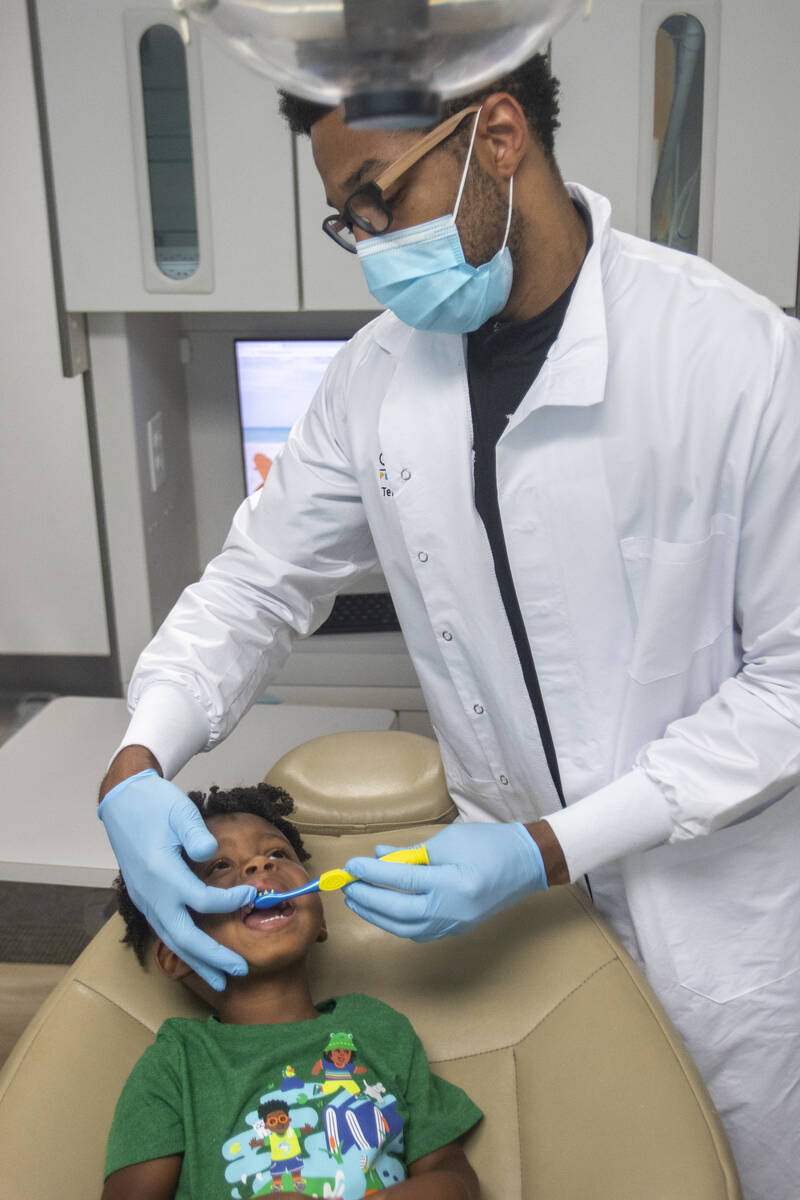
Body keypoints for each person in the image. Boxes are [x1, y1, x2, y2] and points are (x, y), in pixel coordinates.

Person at [96, 53, 800, 1200]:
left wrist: (543, 845)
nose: (370, 244)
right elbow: (257, 584)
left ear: (499, 136)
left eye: (380, 197)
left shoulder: (735, 359)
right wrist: (137, 762)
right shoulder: (372, 381)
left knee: (732, 1165)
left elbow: (788, 685)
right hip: (515, 914)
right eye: (347, 218)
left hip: (715, 901)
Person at [102, 783, 482, 1199]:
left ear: (320, 920)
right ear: (176, 950)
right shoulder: (177, 1063)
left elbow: (453, 1175)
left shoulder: (378, 1027)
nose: (258, 867)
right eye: (217, 868)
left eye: (278, 854)